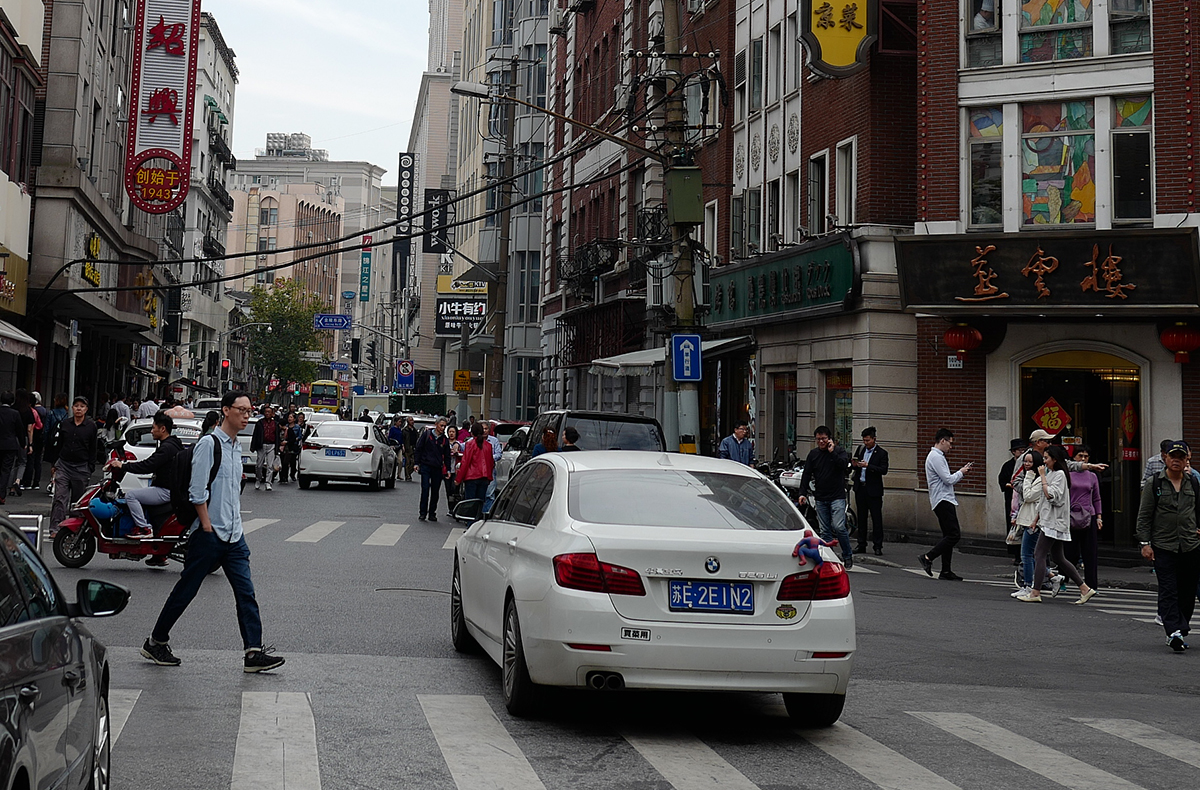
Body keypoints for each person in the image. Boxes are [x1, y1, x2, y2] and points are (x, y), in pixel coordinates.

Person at [141, 391, 285, 672]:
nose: (246, 415)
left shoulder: (234, 447)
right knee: (187, 589)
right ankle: (156, 642)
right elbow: (197, 492)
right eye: (241, 410)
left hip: (234, 535)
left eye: (249, 410)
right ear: (226, 411)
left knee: (246, 593)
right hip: (210, 534)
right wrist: (206, 527)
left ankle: (253, 652)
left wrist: (235, 528)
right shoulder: (210, 444)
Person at [1136, 440, 1200, 652]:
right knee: (1168, 589)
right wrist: (1145, 543)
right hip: (1163, 546)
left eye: (1181, 458)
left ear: (1186, 460)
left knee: (1188, 591)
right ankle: (1173, 631)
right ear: (1165, 458)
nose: (1176, 461)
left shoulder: (1193, 483)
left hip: (1190, 545)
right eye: (1173, 457)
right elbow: (1144, 516)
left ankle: (1180, 627)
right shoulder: (1155, 484)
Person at [1017, 444, 1096, 604]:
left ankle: (1035, 592)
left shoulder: (1059, 475)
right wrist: (1035, 519)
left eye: (1046, 458)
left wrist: (1043, 478)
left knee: (1039, 555)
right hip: (1048, 521)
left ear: (1054, 459)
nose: (1044, 462)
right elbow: (1043, 501)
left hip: (1054, 522)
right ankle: (1084, 588)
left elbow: (1051, 496)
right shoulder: (1052, 473)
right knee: (1058, 557)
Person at [108, 411, 184, 538]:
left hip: (166, 491)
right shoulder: (172, 444)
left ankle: (145, 529)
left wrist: (123, 466)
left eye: (154, 428)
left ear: (163, 429)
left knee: (131, 495)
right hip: (170, 488)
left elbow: (147, 465)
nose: (151, 431)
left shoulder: (167, 448)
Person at [797, 426, 854, 568]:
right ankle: (831, 558)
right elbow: (806, 474)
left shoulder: (839, 452)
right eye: (818, 439)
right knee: (825, 531)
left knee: (839, 526)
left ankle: (847, 554)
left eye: (824, 439)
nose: (821, 441)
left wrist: (832, 452)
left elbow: (844, 467)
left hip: (837, 496)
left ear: (830, 439)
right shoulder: (813, 455)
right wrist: (802, 493)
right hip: (821, 496)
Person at [920, 428, 973, 581]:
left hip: (942, 499)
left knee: (948, 535)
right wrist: (962, 471)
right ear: (942, 441)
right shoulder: (936, 457)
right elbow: (948, 479)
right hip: (943, 499)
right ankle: (928, 557)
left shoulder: (937, 456)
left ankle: (946, 570)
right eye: (949, 442)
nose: (951, 446)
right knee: (954, 534)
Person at [49, 396, 98, 527]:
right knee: (59, 498)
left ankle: (73, 527)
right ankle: (55, 527)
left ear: (86, 409)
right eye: (76, 406)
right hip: (64, 465)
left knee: (77, 501)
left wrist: (90, 467)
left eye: (82, 406)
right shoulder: (65, 424)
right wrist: (55, 464)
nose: (79, 409)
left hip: (82, 467)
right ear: (72, 408)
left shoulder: (91, 427)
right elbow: (58, 445)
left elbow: (93, 448)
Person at [1066, 444, 1103, 591]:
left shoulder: (1092, 476)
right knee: (1069, 552)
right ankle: (1064, 579)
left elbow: (1097, 498)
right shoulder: (1067, 473)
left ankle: (1092, 585)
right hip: (1070, 515)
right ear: (1073, 457)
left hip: (1089, 515)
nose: (1083, 459)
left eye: (1086, 457)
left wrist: (1099, 517)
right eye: (1080, 456)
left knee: (1090, 552)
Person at [851, 426, 889, 556]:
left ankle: (878, 545)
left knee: (876, 518)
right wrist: (855, 465)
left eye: (868, 440)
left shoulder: (882, 453)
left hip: (873, 490)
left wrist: (869, 466)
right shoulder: (861, 450)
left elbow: (883, 470)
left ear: (874, 439)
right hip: (860, 488)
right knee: (861, 517)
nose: (866, 443)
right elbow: (854, 465)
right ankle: (861, 543)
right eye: (864, 440)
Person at [415, 417, 453, 521]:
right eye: (441, 425)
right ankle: (422, 512)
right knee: (425, 489)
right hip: (426, 466)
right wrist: (416, 463)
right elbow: (419, 448)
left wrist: (448, 469)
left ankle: (432, 513)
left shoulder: (444, 440)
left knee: (435, 491)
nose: (443, 428)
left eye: (444, 426)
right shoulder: (427, 435)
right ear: (436, 425)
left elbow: (447, 456)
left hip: (437, 468)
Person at [999, 437, 1026, 566]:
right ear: (1013, 452)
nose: (1022, 453)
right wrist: (1010, 485)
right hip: (1012, 500)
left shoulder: (1028, 464)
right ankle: (1016, 554)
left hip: (1024, 498)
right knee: (1013, 526)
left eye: (1023, 450)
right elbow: (1002, 482)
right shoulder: (1008, 466)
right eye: (1019, 450)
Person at [455, 422, 495, 502]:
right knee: (480, 503)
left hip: (471, 477)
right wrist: (489, 477)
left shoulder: (470, 444)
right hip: (484, 477)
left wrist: (458, 479)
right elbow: (490, 463)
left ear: (472, 433)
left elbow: (465, 462)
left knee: (470, 503)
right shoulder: (488, 445)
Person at [0, 392, 25, 505]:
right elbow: (20, 430)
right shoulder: (15, 414)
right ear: (12, 401)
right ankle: (1, 495)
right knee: (6, 470)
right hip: (10, 445)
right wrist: (23, 443)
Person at [250, 405, 282, 491]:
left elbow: (277, 437)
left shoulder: (275, 424)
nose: (267, 413)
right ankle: (258, 479)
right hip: (261, 445)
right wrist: (253, 446)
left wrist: (278, 448)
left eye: (269, 412)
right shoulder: (259, 423)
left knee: (270, 465)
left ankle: (268, 482)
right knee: (259, 465)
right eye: (266, 412)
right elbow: (255, 435)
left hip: (272, 445)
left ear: (272, 414)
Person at [279, 412, 302, 484]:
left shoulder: (296, 427)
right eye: (289, 417)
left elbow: (299, 437)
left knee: (292, 462)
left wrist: (295, 439)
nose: (289, 418)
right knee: (283, 462)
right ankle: (282, 477)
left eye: (291, 417)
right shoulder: (285, 427)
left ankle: (292, 474)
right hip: (283, 448)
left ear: (294, 419)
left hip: (292, 446)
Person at [401, 416, 420, 482]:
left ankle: (409, 473)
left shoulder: (414, 430)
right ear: (408, 422)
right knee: (408, 462)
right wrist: (403, 446)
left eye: (412, 420)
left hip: (414, 447)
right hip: (407, 448)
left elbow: (417, 438)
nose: (412, 422)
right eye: (411, 420)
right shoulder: (405, 430)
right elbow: (403, 439)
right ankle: (407, 476)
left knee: (413, 462)